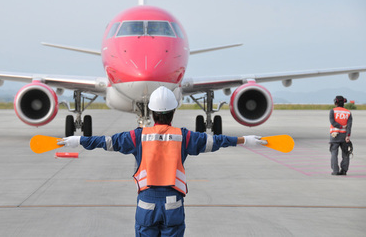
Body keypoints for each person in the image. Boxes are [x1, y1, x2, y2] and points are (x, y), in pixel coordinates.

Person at [58, 86, 267, 236]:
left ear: (153, 112)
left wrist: (78, 140)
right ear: (173, 112)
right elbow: (216, 141)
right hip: (172, 204)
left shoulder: (138, 136)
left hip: (146, 203)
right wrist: (245, 139)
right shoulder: (184, 136)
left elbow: (106, 142)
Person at [329, 95, 352, 176]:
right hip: (344, 136)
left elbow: (332, 122)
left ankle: (335, 170)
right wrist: (348, 136)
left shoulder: (332, 111)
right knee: (346, 153)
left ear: (336, 102)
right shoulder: (348, 112)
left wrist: (340, 126)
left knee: (334, 153)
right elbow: (349, 126)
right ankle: (344, 170)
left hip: (334, 135)